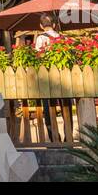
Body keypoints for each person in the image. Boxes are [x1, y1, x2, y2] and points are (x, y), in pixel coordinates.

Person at [33, 13, 65, 141]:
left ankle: (53, 137)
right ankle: (68, 137)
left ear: (41, 26)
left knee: (48, 107)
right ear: (54, 25)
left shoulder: (41, 38)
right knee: (65, 106)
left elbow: (38, 56)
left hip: (47, 78)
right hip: (62, 78)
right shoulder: (62, 38)